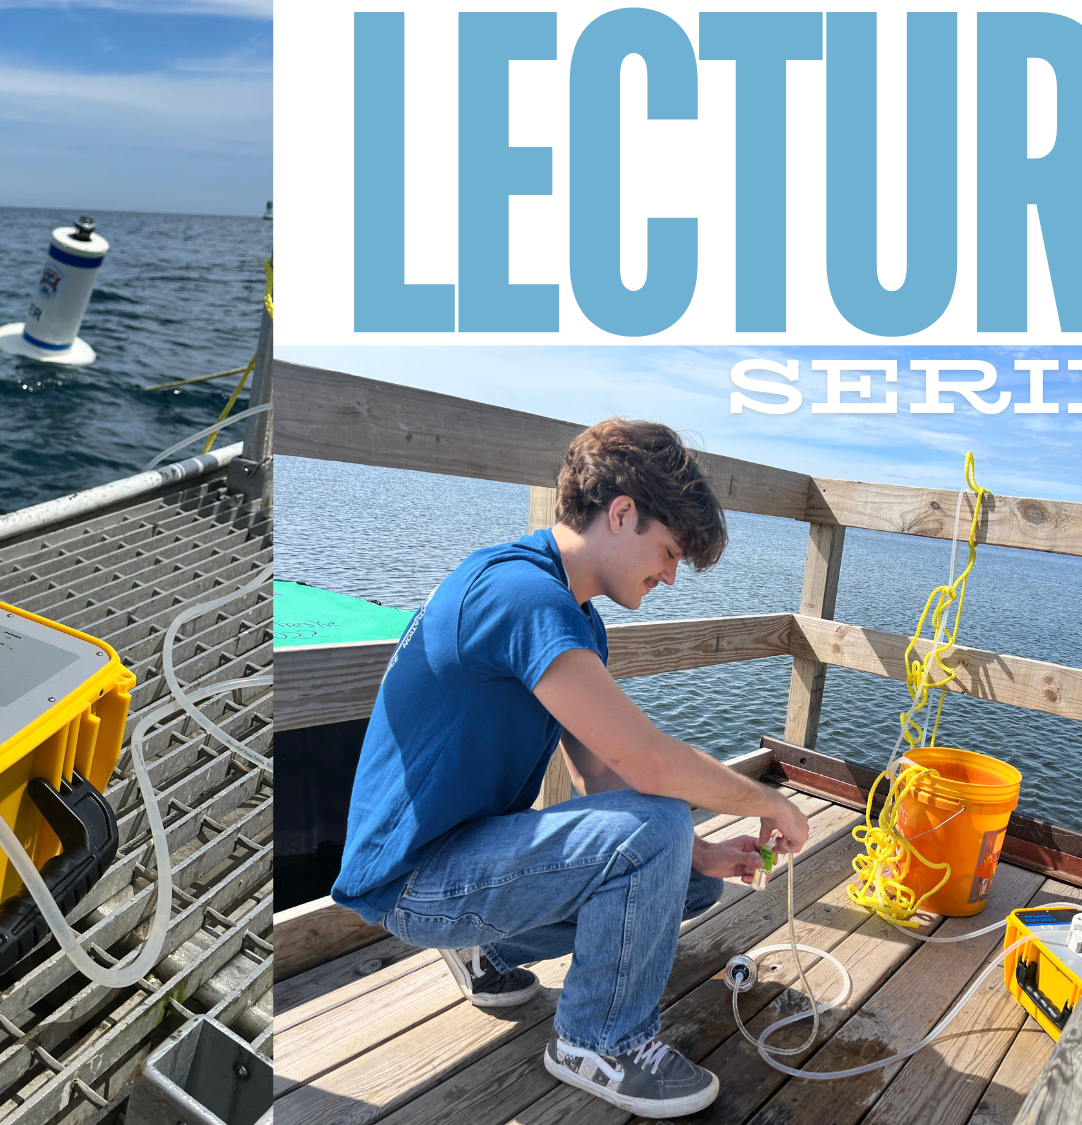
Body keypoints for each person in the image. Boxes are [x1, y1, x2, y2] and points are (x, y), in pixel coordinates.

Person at [331, 418, 813, 1119]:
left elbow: (600, 776)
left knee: (687, 882)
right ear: (621, 512)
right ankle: (598, 1040)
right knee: (660, 826)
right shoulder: (519, 595)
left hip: (461, 856)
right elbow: (643, 761)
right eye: (669, 550)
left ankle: (481, 950)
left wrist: (706, 853)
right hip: (412, 877)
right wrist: (769, 803)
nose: (673, 575)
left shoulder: (576, 617)